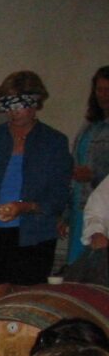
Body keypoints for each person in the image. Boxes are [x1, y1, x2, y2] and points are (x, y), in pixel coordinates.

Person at [0, 71, 72, 304]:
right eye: (8, 105)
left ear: (35, 103)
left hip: (34, 234)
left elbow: (59, 194)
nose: (14, 112)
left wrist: (26, 207)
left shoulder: (54, 142)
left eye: (20, 104)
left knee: (25, 303)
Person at [67, 66, 109, 263]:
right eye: (99, 89)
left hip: (103, 206)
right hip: (80, 203)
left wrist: (94, 175)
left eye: (108, 89)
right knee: (78, 266)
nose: (104, 95)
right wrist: (65, 213)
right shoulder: (90, 125)